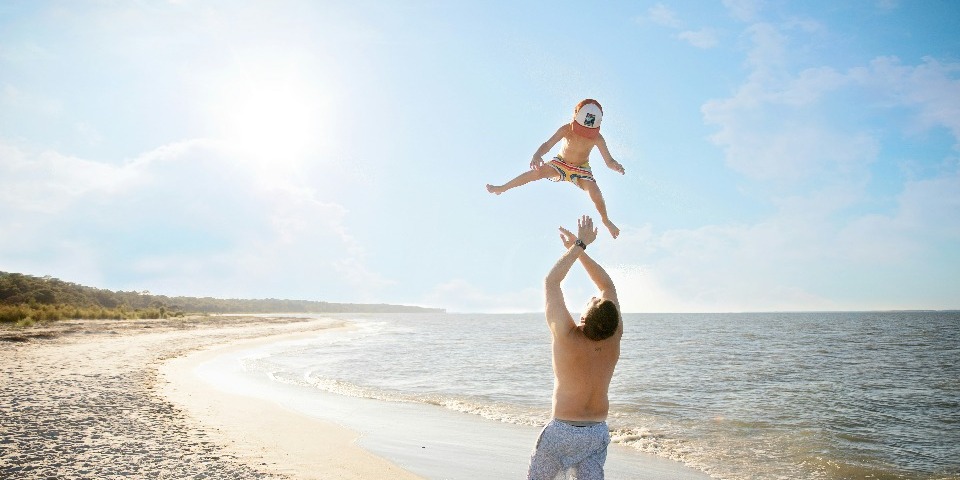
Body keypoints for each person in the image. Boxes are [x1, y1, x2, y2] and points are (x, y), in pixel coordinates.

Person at [527, 215, 623, 480]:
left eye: (592, 301)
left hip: (563, 432)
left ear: (584, 318)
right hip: (596, 432)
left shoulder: (567, 338)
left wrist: (578, 245)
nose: (594, 297)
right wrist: (579, 250)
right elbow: (607, 286)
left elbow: (551, 282)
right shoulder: (614, 337)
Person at [486, 99, 626, 239]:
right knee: (537, 173)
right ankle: (503, 188)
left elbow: (609, 160)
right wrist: (537, 155)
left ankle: (606, 220)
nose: (583, 134)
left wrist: (615, 166)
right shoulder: (566, 129)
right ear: (575, 118)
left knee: (595, 192)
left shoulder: (598, 138)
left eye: (587, 132)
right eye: (581, 130)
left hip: (581, 169)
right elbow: (547, 145)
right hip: (561, 163)